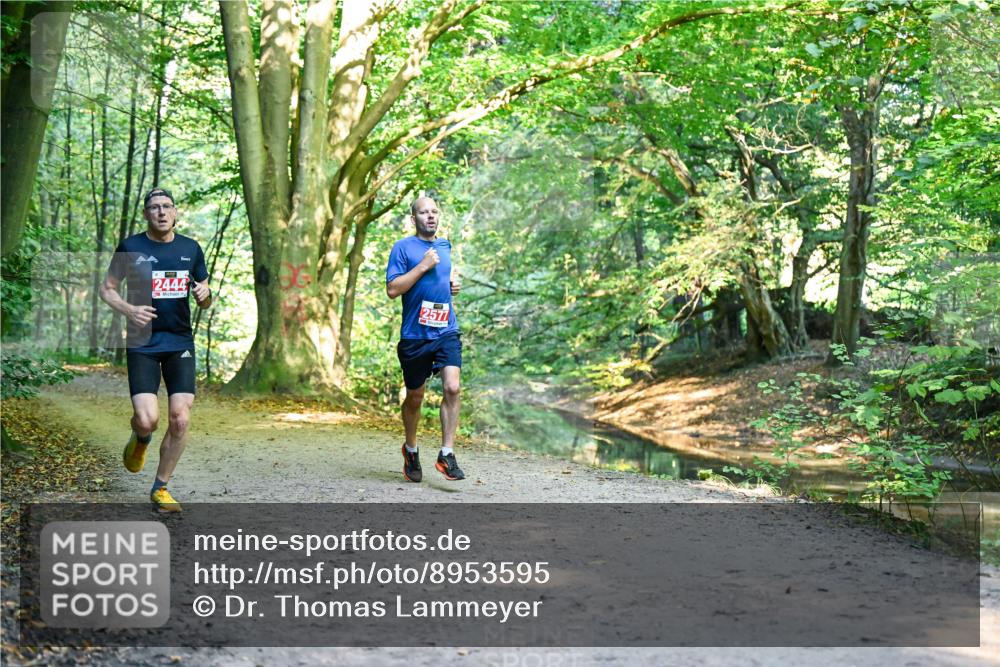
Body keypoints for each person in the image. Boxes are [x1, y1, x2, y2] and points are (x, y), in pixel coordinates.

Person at [99, 187, 211, 512]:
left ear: (175, 212)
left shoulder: (191, 249)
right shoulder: (131, 247)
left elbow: (205, 299)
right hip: (142, 342)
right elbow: (107, 289)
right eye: (154, 207)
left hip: (179, 343)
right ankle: (141, 438)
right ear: (146, 214)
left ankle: (161, 487)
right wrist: (129, 310)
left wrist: (205, 296)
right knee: (147, 419)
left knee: (179, 419)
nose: (161, 212)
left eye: (166, 206)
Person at [386, 196, 465, 482]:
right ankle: (410, 449)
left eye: (434, 211)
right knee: (415, 397)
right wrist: (422, 266)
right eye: (423, 212)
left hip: (446, 330)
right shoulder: (403, 248)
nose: (430, 216)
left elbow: (440, 282)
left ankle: (446, 454)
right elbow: (393, 289)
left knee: (453, 387)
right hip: (415, 336)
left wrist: (451, 286)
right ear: (413, 218)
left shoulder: (445, 246)